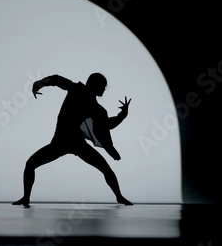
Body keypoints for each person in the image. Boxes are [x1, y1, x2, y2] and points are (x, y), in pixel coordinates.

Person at [12, 73, 133, 208]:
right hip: (65, 142)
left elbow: (105, 125)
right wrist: (38, 84)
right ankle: (26, 198)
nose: (104, 89)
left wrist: (122, 116)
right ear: (96, 85)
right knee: (30, 164)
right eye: (103, 86)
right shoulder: (81, 93)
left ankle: (119, 196)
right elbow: (56, 79)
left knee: (30, 164)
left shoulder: (94, 107)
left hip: (73, 142)